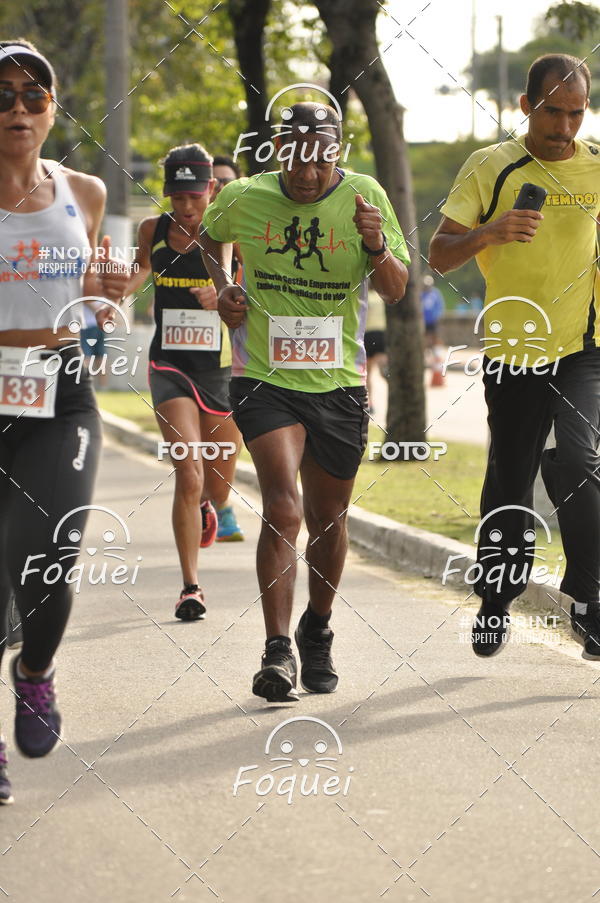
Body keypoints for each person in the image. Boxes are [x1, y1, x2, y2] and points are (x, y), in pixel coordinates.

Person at [201, 102, 409, 702]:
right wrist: (225, 289)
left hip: (339, 383)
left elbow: (395, 289)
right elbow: (209, 240)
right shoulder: (244, 195)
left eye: (319, 159)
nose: (307, 172)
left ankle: (315, 630)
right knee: (284, 508)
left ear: (335, 153)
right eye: (295, 156)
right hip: (265, 377)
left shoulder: (365, 196)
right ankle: (277, 650)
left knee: (328, 519)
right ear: (278, 151)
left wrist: (374, 246)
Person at [429, 54, 600, 658]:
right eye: (553, 112)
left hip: (585, 346)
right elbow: (439, 253)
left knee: (581, 458)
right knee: (511, 478)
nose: (564, 128)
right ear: (526, 107)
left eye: (576, 113)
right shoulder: (491, 166)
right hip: (515, 344)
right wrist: (491, 232)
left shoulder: (597, 166)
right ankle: (498, 594)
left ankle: (588, 594)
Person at [0, 40, 128, 802]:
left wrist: (106, 306)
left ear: (54, 108)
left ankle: (35, 670)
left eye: (33, 95)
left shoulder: (85, 191)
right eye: (2, 95)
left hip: (60, 396)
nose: (17, 109)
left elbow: (89, 314)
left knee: (50, 556)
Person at [127, 143, 244, 623]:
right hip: (169, 366)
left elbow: (254, 293)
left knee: (216, 488)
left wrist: (223, 299)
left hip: (222, 372)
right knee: (188, 474)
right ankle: (190, 588)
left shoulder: (233, 231)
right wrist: (112, 288)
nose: (187, 208)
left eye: (194, 197)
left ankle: (212, 510)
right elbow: (141, 270)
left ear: (211, 189)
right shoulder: (152, 230)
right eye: (177, 198)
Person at [421, 274, 444, 349]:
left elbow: (440, 305)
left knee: (435, 336)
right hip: (424, 320)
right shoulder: (421, 294)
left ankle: (436, 352)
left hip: (434, 319)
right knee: (424, 337)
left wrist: (438, 316)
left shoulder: (436, 293)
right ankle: (426, 352)